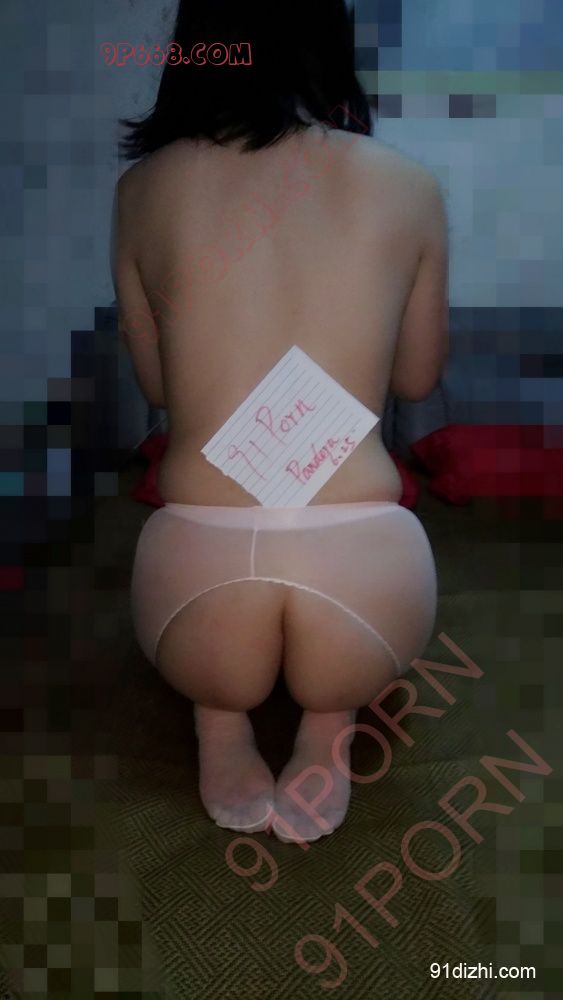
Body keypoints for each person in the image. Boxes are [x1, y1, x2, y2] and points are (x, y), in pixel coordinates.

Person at [111, 0, 449, 843]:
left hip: (195, 582)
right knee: (343, 651)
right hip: (365, 583)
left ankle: (219, 724)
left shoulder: (141, 191)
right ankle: (328, 725)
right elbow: (416, 378)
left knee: (214, 658)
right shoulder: (406, 184)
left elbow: (155, 385)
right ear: (327, 42)